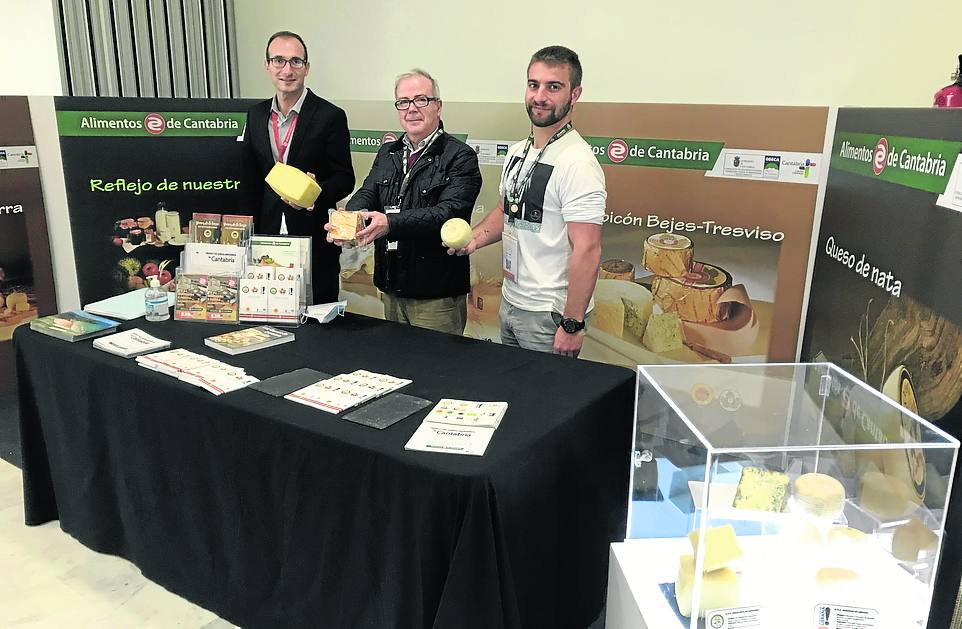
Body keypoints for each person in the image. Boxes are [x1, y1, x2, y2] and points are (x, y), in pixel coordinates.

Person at [448, 46, 605, 358]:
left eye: (553, 86)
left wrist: (572, 323)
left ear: (575, 94)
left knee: (548, 403)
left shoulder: (578, 162)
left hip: (550, 314)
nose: (540, 96)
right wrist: (473, 240)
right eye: (534, 84)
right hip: (512, 302)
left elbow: (588, 249)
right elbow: (505, 211)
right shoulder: (519, 151)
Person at [326, 69, 482, 334]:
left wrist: (390, 224)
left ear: (438, 106)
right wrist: (349, 221)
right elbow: (367, 193)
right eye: (404, 102)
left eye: (421, 100)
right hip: (391, 288)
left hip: (436, 295)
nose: (412, 109)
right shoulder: (389, 152)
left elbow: (448, 212)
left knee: (436, 371)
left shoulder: (460, 157)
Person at [240, 31, 354, 304]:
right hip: (266, 237)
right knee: (268, 316)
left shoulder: (330, 116)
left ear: (307, 67)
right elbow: (251, 180)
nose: (287, 70)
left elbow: (345, 178)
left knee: (319, 326)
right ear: (267, 65)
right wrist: (246, 234)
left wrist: (314, 192)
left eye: (295, 62)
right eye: (278, 60)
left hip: (313, 239)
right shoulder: (255, 116)